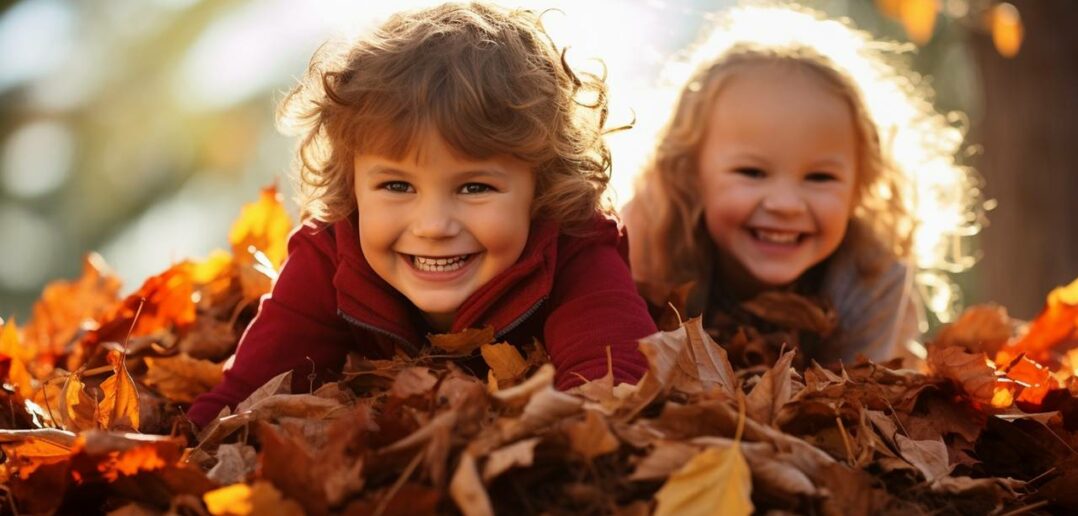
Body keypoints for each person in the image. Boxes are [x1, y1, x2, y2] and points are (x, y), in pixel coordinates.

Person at [188, 2, 655, 428]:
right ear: (352, 184)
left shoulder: (573, 249)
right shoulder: (329, 258)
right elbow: (237, 402)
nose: (433, 225)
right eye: (396, 186)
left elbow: (614, 387)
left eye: (475, 187)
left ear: (541, 188)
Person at [623, 5, 980, 365]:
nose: (786, 203)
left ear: (862, 185)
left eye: (820, 177)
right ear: (689, 173)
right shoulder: (654, 243)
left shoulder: (870, 273)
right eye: (751, 172)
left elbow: (859, 403)